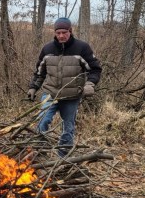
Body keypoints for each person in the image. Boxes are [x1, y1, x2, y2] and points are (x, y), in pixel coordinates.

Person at [27, 17, 102, 157]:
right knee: (42, 121)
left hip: (72, 96)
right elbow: (39, 72)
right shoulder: (47, 49)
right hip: (49, 94)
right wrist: (33, 88)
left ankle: (63, 159)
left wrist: (90, 84)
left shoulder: (82, 48)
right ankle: (39, 154)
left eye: (64, 32)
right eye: (58, 33)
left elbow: (95, 69)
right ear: (54, 33)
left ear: (70, 31)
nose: (61, 35)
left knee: (68, 128)